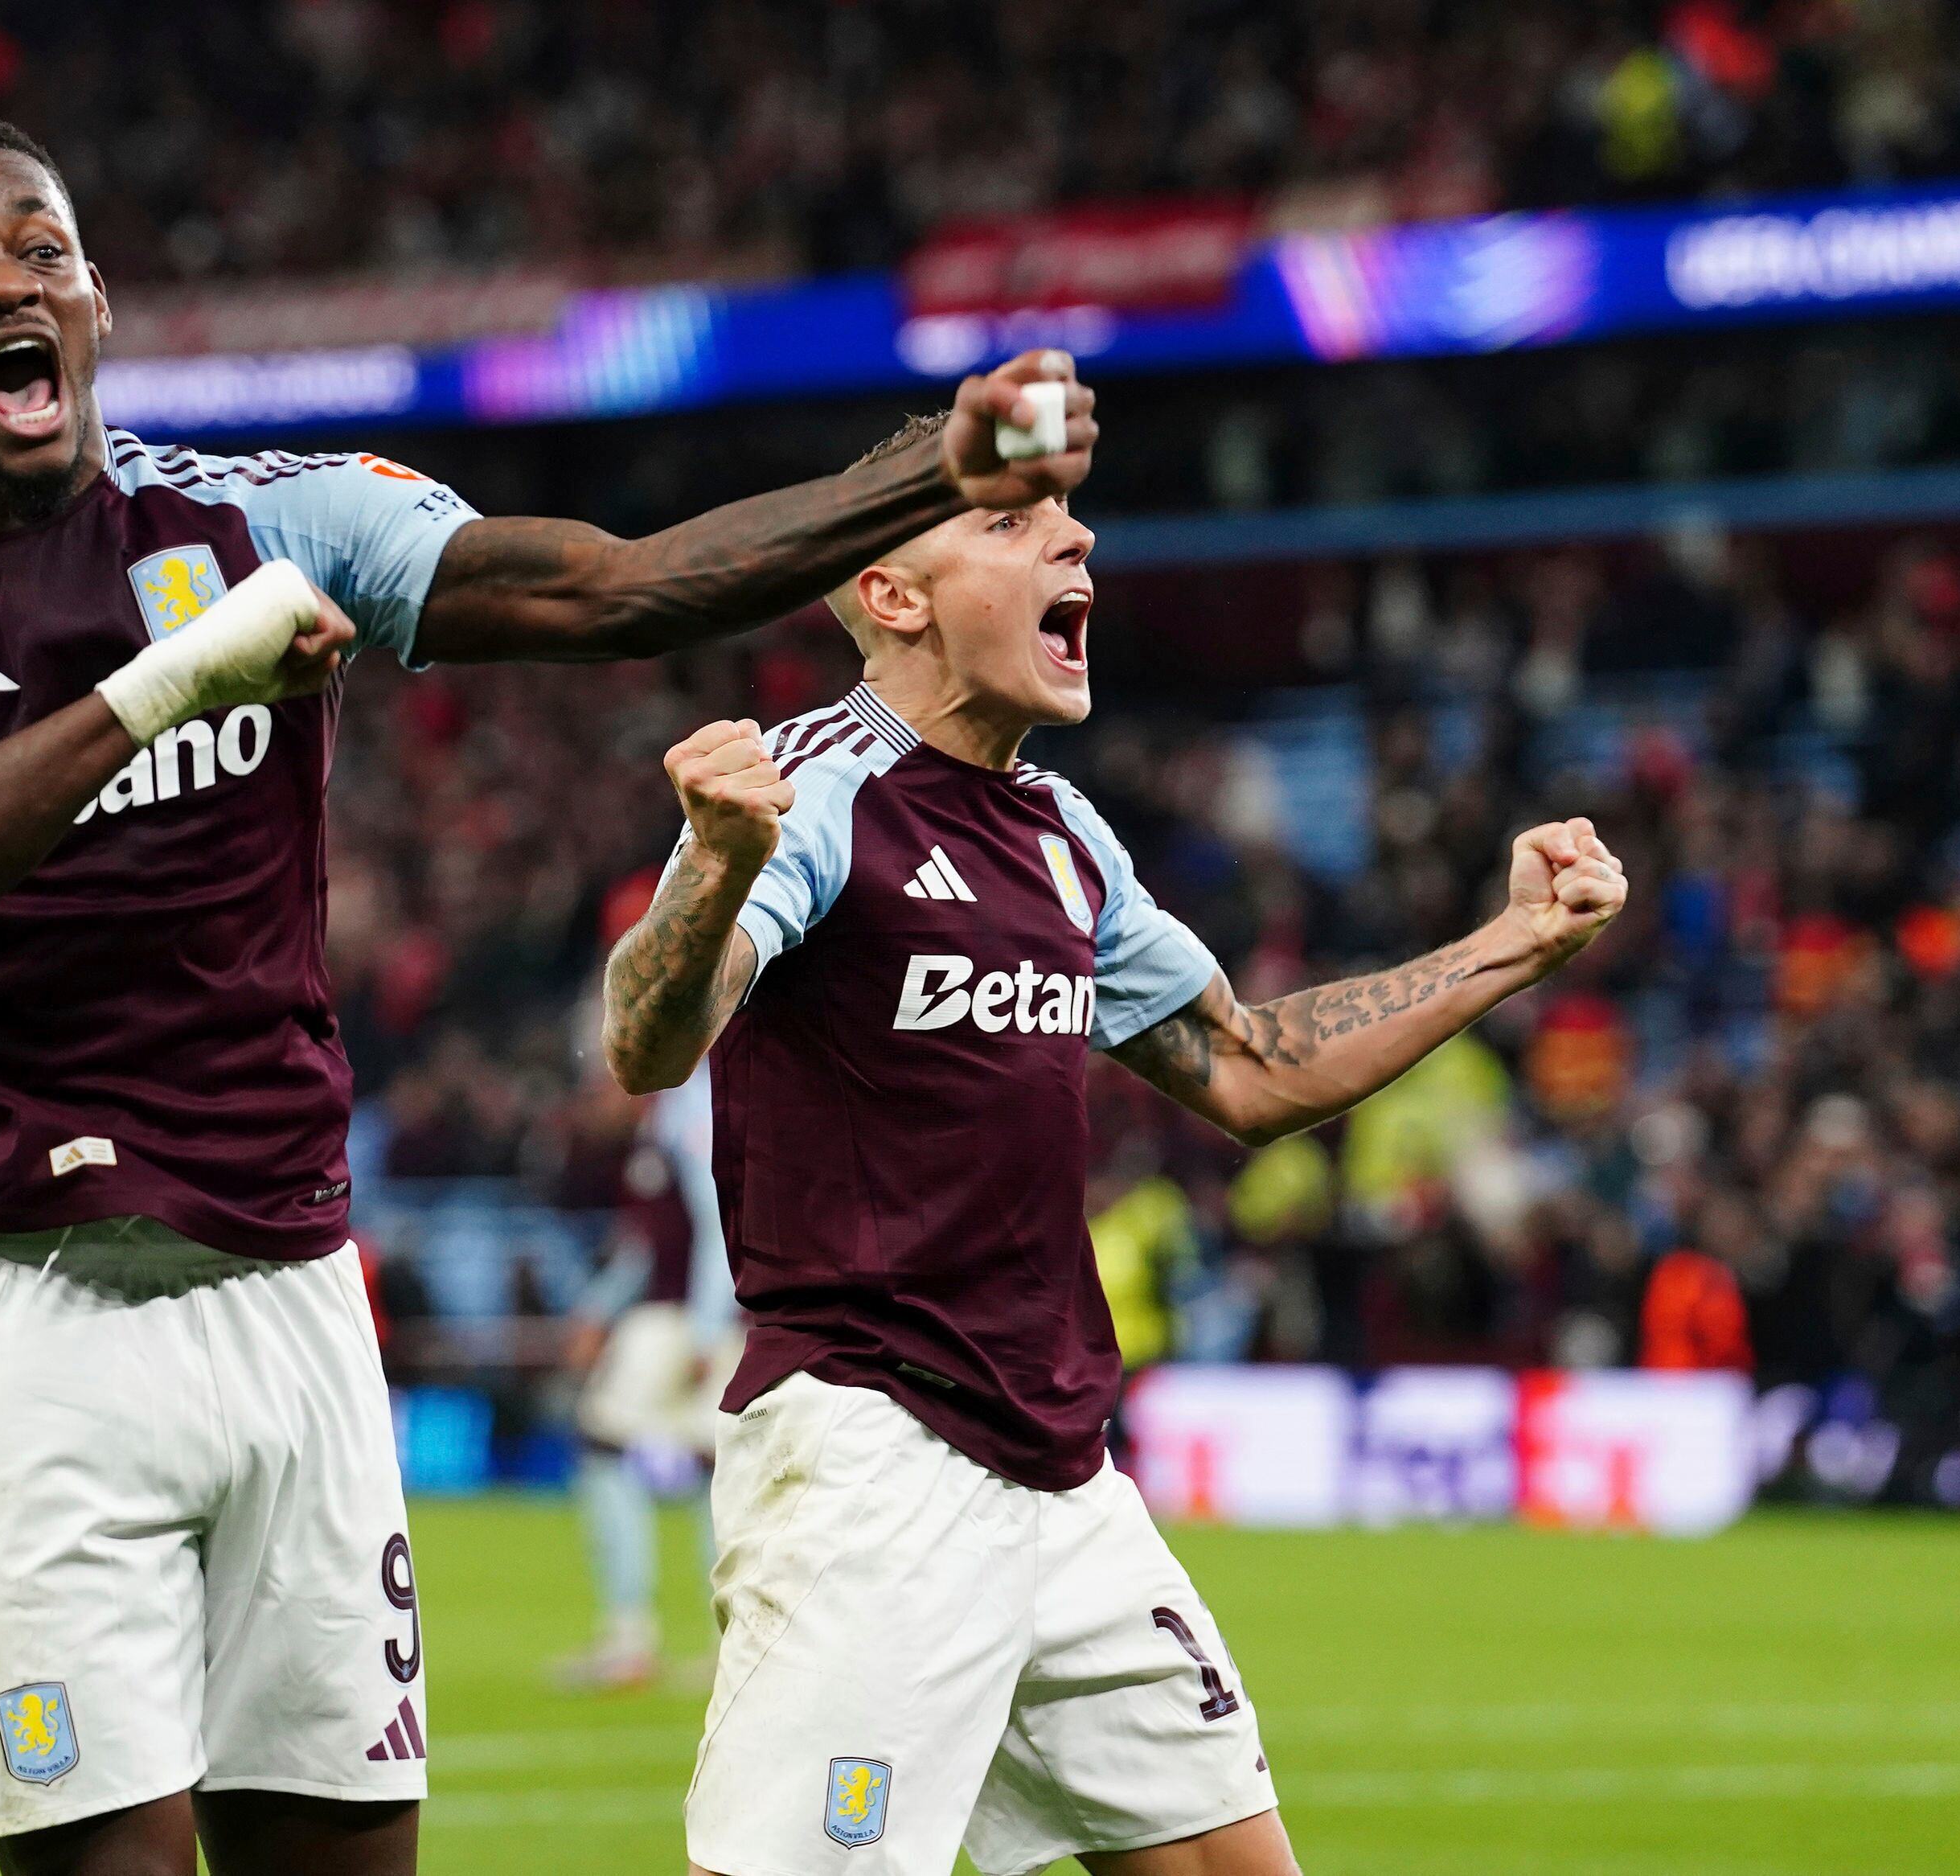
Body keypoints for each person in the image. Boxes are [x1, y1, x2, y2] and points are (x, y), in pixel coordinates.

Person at [0, 110, 1095, 1876]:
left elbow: (616, 585)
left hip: (296, 1299)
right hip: (28, 1311)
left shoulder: (269, 512)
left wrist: (933, 471)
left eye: (41, 250)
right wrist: (175, 674)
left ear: (98, 299)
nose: (4, 284)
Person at [600, 410, 1628, 1876]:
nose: (1076, 538)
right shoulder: (812, 788)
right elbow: (649, 1039)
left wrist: (1516, 939)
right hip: (874, 1455)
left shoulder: (1062, 831)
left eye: (1070, 517)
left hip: (1060, 1465)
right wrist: (713, 869)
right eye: (1015, 523)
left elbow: (1244, 1062)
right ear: (894, 596)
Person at [558, 1054, 739, 1692]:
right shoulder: (662, 1125)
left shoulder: (690, 1109)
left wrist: (709, 1327)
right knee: (714, 1475)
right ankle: (734, 1645)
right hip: (681, 1318)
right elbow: (649, 1242)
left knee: (603, 1447)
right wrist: (598, 1308)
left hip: (678, 1323)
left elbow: (720, 1223)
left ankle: (629, 1637)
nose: (596, 1098)